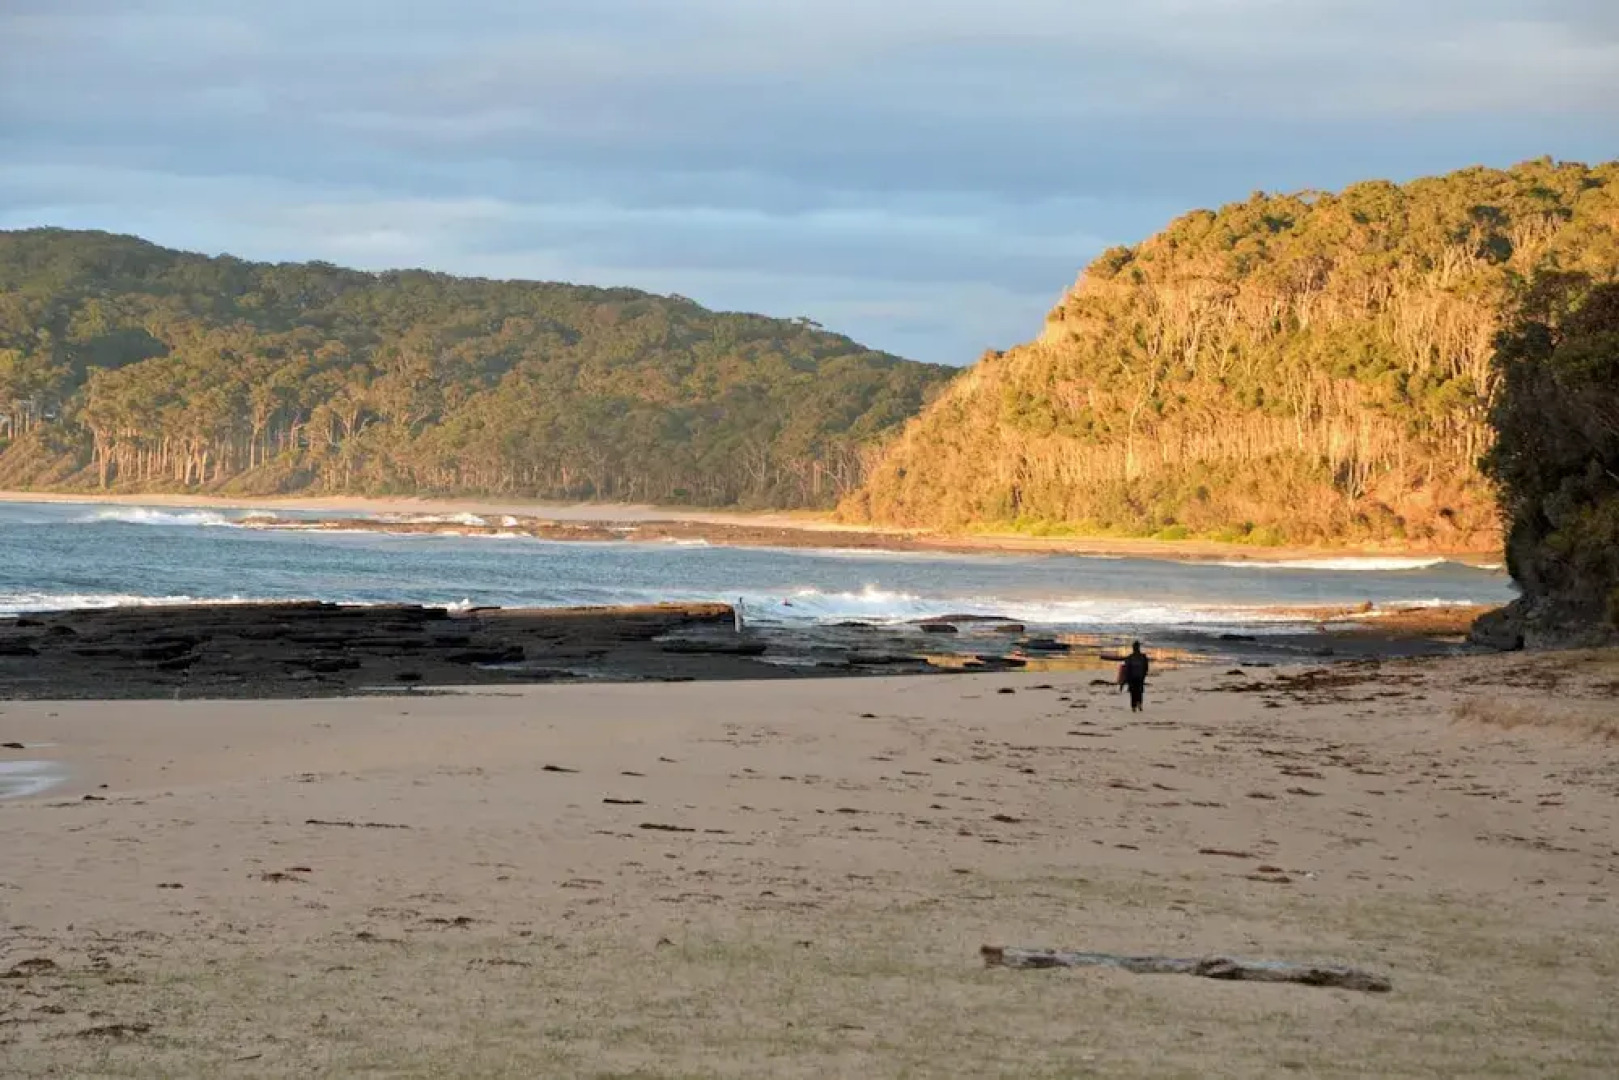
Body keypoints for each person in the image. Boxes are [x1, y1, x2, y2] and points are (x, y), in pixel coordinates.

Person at [1117, 641, 1150, 712]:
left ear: (1133, 648)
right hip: (1140, 676)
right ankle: (1139, 704)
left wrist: (1123, 681)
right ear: (1139, 648)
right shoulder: (1143, 657)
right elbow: (1146, 667)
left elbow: (1127, 669)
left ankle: (1133, 706)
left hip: (1131, 677)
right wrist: (1144, 675)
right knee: (1139, 691)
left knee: (1133, 692)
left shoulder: (1130, 657)